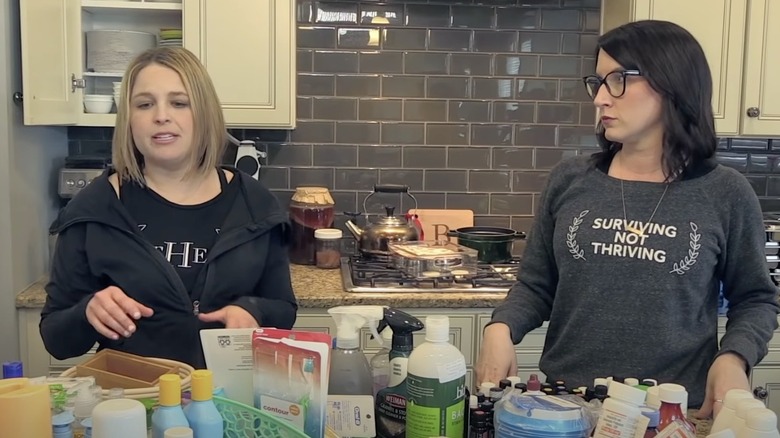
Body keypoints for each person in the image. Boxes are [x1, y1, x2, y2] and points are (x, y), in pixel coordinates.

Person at [475, 19, 779, 418]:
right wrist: (500, 328)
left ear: (672, 82)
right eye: (597, 82)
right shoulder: (570, 179)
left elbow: (756, 299)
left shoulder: (725, 192)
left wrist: (733, 357)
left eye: (617, 79)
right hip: (567, 407)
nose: (600, 98)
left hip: (672, 413)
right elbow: (536, 284)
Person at [40, 47, 297, 368]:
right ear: (129, 119)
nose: (161, 115)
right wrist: (88, 311)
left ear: (203, 113)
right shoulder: (95, 208)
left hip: (229, 405)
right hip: (133, 404)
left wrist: (253, 311)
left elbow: (284, 309)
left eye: (179, 102)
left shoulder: (255, 204)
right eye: (145, 104)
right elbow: (56, 339)